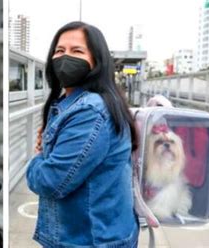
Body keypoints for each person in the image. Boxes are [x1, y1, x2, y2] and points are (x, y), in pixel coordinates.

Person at [26, 21, 139, 247]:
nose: (65, 58)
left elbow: (50, 181)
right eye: (59, 51)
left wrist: (37, 160)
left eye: (77, 51)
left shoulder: (91, 111)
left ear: (97, 61)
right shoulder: (72, 103)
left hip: (92, 240)